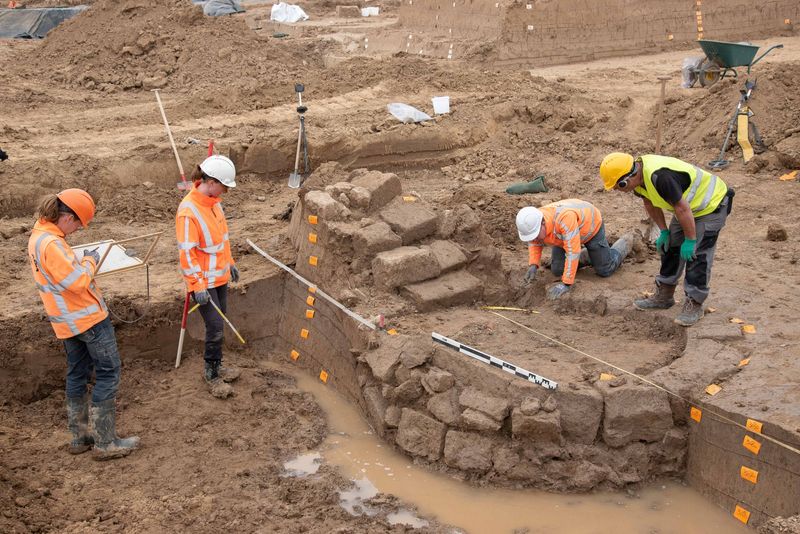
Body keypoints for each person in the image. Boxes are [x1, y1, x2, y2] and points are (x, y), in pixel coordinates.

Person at [28, 189, 139, 460]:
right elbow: (78, 282)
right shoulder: (52, 244)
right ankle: (105, 442)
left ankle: (80, 437)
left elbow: (62, 274)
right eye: (78, 223)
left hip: (67, 322)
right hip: (87, 319)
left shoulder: (40, 236)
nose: (78, 229)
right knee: (108, 372)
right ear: (66, 217)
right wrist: (91, 260)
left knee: (77, 374)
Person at [599, 152, 733, 326]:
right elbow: (650, 202)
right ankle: (664, 295)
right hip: (687, 208)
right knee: (671, 247)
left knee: (696, 254)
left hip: (711, 205)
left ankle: (695, 302)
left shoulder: (660, 177)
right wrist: (664, 231)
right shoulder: (638, 180)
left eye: (618, 186)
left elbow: (681, 208)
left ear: (627, 178)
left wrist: (691, 240)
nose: (618, 191)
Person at [176, 155, 241, 396]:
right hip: (202, 281)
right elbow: (187, 253)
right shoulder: (188, 211)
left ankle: (218, 364)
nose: (225, 191)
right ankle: (211, 372)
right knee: (214, 326)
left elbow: (222, 238)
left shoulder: (214, 203)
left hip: (220, 276)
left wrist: (230, 262)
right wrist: (197, 285)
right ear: (211, 181)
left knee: (220, 322)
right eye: (224, 186)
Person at [516, 199, 633, 300]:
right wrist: (533, 265)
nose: (534, 239)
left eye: (535, 234)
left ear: (542, 223)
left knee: (605, 269)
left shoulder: (564, 219)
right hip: (564, 237)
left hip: (590, 228)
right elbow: (535, 242)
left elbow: (572, 252)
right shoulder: (534, 220)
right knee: (557, 270)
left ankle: (626, 241)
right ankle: (590, 255)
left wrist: (566, 284)